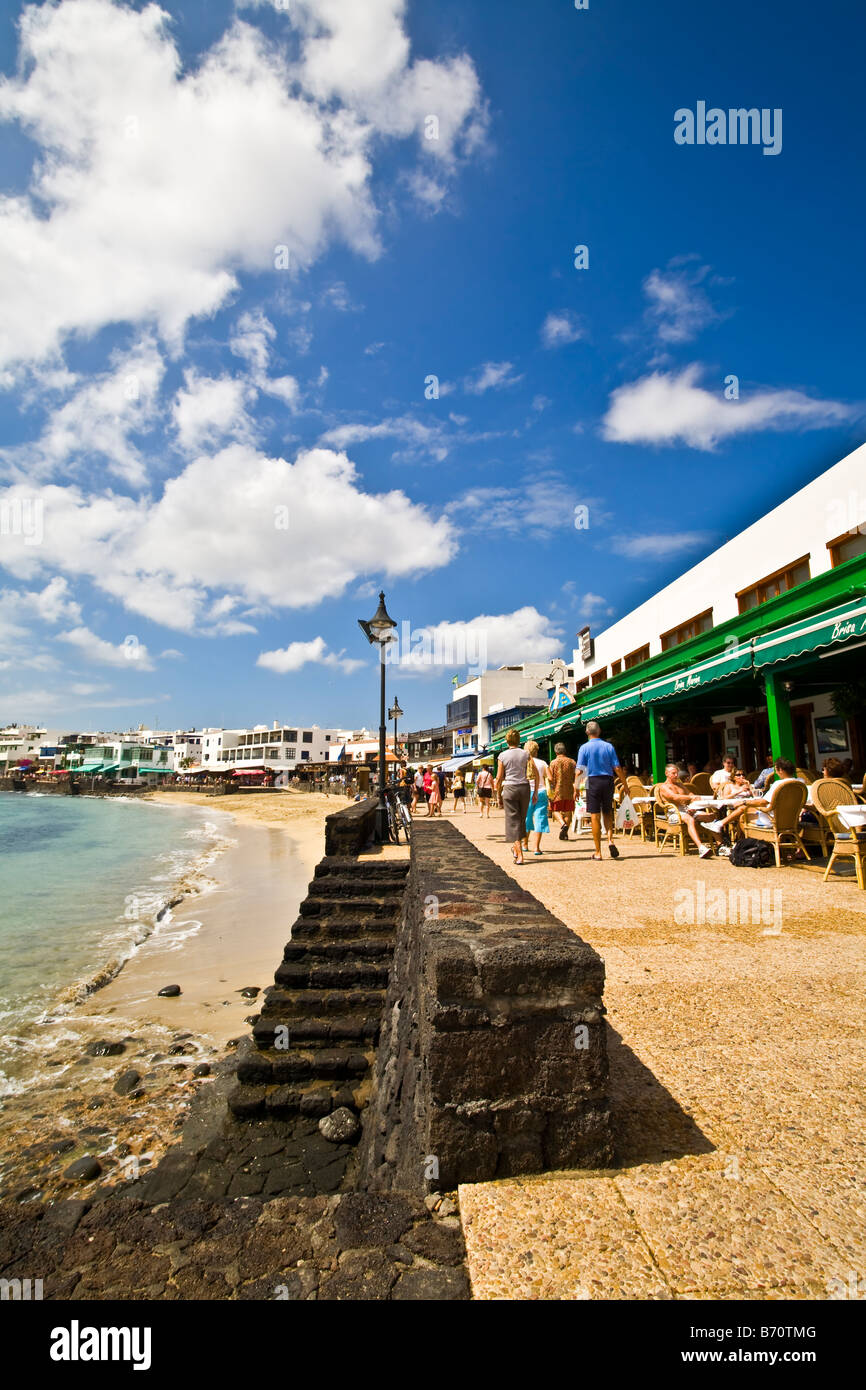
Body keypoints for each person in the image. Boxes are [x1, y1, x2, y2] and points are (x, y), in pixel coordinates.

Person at [576, 721, 629, 861]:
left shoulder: (584, 748)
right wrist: (625, 784)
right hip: (607, 781)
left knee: (594, 815)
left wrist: (575, 787)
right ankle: (610, 839)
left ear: (587, 732)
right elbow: (617, 768)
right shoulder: (608, 746)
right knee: (607, 812)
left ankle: (598, 851)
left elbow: (579, 770)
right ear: (599, 731)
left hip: (592, 781)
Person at [495, 728, 539, 865]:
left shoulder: (502, 756)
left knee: (513, 821)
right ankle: (516, 847)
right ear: (519, 739)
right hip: (524, 788)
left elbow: (499, 777)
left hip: (510, 788)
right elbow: (536, 774)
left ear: (507, 741)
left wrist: (497, 794)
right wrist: (535, 792)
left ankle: (519, 854)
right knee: (521, 820)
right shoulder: (526, 754)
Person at [657, 763, 719, 858]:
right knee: (689, 819)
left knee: (711, 816)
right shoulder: (664, 787)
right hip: (674, 813)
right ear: (667, 773)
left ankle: (720, 845)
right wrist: (690, 798)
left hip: (687, 810)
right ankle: (701, 847)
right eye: (673, 773)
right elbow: (674, 797)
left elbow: (691, 794)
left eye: (677, 773)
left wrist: (692, 804)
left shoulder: (680, 785)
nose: (676, 775)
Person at [522, 739, 550, 856]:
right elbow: (550, 777)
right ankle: (537, 847)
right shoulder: (542, 763)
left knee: (527, 818)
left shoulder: (523, 762)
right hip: (541, 792)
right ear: (536, 751)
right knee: (540, 818)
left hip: (527, 792)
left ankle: (524, 844)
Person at [547, 741, 577, 840]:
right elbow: (576, 776)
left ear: (556, 752)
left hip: (557, 791)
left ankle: (563, 825)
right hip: (569, 790)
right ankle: (565, 833)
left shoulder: (553, 763)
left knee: (555, 810)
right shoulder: (572, 762)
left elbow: (550, 778)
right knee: (568, 812)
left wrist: (550, 792)